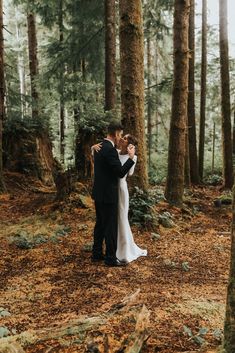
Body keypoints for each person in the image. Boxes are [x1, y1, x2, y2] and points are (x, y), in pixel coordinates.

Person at [92, 134, 147, 263]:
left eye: (125, 138)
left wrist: (131, 157)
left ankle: (123, 249)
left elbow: (129, 173)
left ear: (130, 144)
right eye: (122, 136)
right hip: (109, 190)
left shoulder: (133, 157)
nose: (122, 138)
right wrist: (93, 147)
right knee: (109, 221)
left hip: (121, 190)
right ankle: (110, 250)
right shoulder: (113, 151)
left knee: (121, 218)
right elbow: (104, 156)